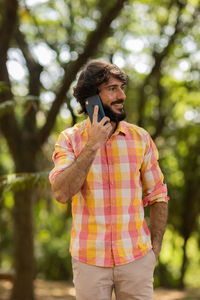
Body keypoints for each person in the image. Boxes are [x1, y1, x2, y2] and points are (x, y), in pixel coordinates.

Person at [49, 60, 169, 300]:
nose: (122, 95)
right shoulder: (69, 139)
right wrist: (93, 144)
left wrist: (154, 249)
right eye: (112, 89)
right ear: (91, 97)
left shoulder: (141, 138)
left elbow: (158, 195)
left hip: (136, 259)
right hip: (89, 262)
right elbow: (62, 193)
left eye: (121, 87)